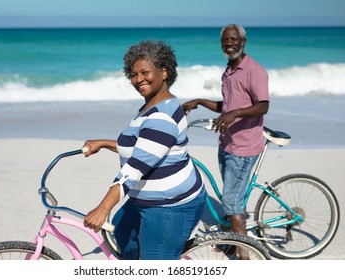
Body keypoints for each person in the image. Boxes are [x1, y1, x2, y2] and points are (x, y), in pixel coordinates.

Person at [82, 40, 207, 260]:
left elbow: (134, 169)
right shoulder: (152, 105)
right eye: (133, 74)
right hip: (145, 199)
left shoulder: (162, 117)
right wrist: (103, 142)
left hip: (169, 206)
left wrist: (102, 208)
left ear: (164, 72)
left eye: (145, 72)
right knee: (122, 231)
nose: (138, 79)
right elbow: (143, 146)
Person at [182, 24, 269, 258]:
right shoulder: (229, 71)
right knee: (230, 196)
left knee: (231, 201)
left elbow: (263, 105)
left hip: (244, 146)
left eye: (233, 39)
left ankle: (244, 252)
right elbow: (226, 105)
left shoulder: (254, 71)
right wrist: (199, 101)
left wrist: (234, 114)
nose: (229, 43)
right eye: (225, 40)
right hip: (227, 143)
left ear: (243, 42)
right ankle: (230, 241)